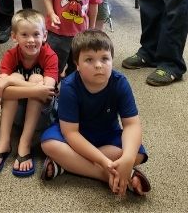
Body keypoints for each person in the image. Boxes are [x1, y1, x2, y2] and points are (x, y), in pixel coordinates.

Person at [40, 30, 151, 197]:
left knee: (138, 154)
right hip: (75, 136)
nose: (99, 65)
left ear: (112, 60)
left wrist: (128, 159)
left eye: (105, 59)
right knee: (48, 144)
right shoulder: (69, 86)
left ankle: (65, 165)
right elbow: (71, 133)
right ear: (77, 64)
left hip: (107, 134)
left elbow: (132, 125)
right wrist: (105, 163)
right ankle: (114, 175)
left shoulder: (120, 82)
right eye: (89, 60)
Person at [0, 9, 57, 177]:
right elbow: (1, 92)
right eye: (24, 35)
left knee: (36, 78)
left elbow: (46, 92)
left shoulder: (50, 56)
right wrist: (23, 86)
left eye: (36, 34)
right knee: (17, 78)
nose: (31, 40)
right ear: (14, 37)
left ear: (44, 35)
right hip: (17, 115)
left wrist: (11, 82)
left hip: (41, 116)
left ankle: (24, 143)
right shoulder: (10, 55)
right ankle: (4, 141)